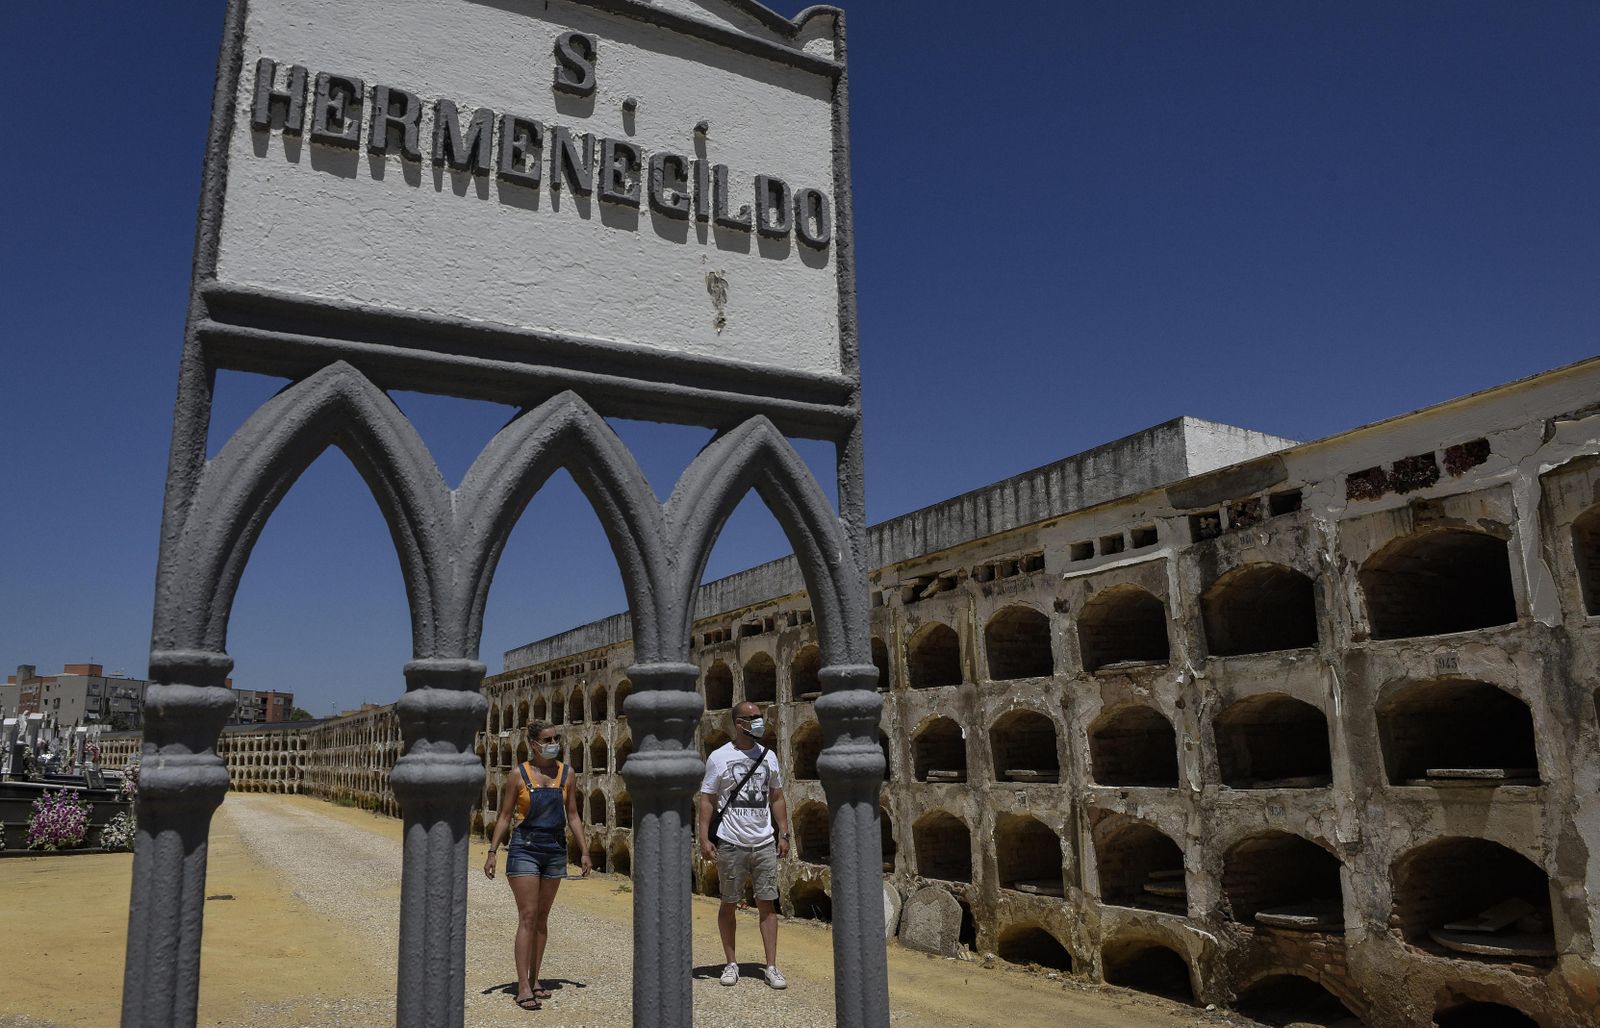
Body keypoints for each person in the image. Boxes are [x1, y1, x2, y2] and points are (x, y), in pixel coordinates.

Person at [484, 721, 591, 1012]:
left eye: (556, 738)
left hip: (555, 848)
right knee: (528, 915)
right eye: (548, 739)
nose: (554, 742)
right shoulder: (518, 775)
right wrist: (493, 851)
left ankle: (535, 978)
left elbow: (573, 816)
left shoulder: (567, 775)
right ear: (534, 744)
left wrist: (583, 850)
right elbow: (505, 816)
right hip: (525, 848)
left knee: (542, 917)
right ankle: (522, 986)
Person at [698, 700, 791, 990]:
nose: (760, 721)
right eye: (754, 718)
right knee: (728, 903)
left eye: (760, 717)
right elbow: (707, 799)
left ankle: (772, 966)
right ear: (739, 724)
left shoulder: (769, 756)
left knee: (768, 904)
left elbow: (776, 796)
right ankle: (731, 963)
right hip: (731, 841)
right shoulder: (719, 757)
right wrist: (703, 837)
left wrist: (784, 833)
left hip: (763, 841)